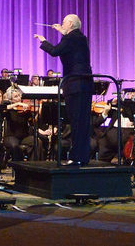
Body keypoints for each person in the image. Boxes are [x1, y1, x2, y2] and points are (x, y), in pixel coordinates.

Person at [34, 13, 92, 165]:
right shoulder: (78, 37)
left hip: (76, 84)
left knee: (78, 122)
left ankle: (77, 158)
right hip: (81, 84)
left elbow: (55, 51)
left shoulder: (72, 38)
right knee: (80, 122)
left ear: (71, 24)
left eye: (64, 23)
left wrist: (43, 40)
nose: (61, 24)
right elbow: (68, 47)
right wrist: (61, 31)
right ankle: (80, 157)